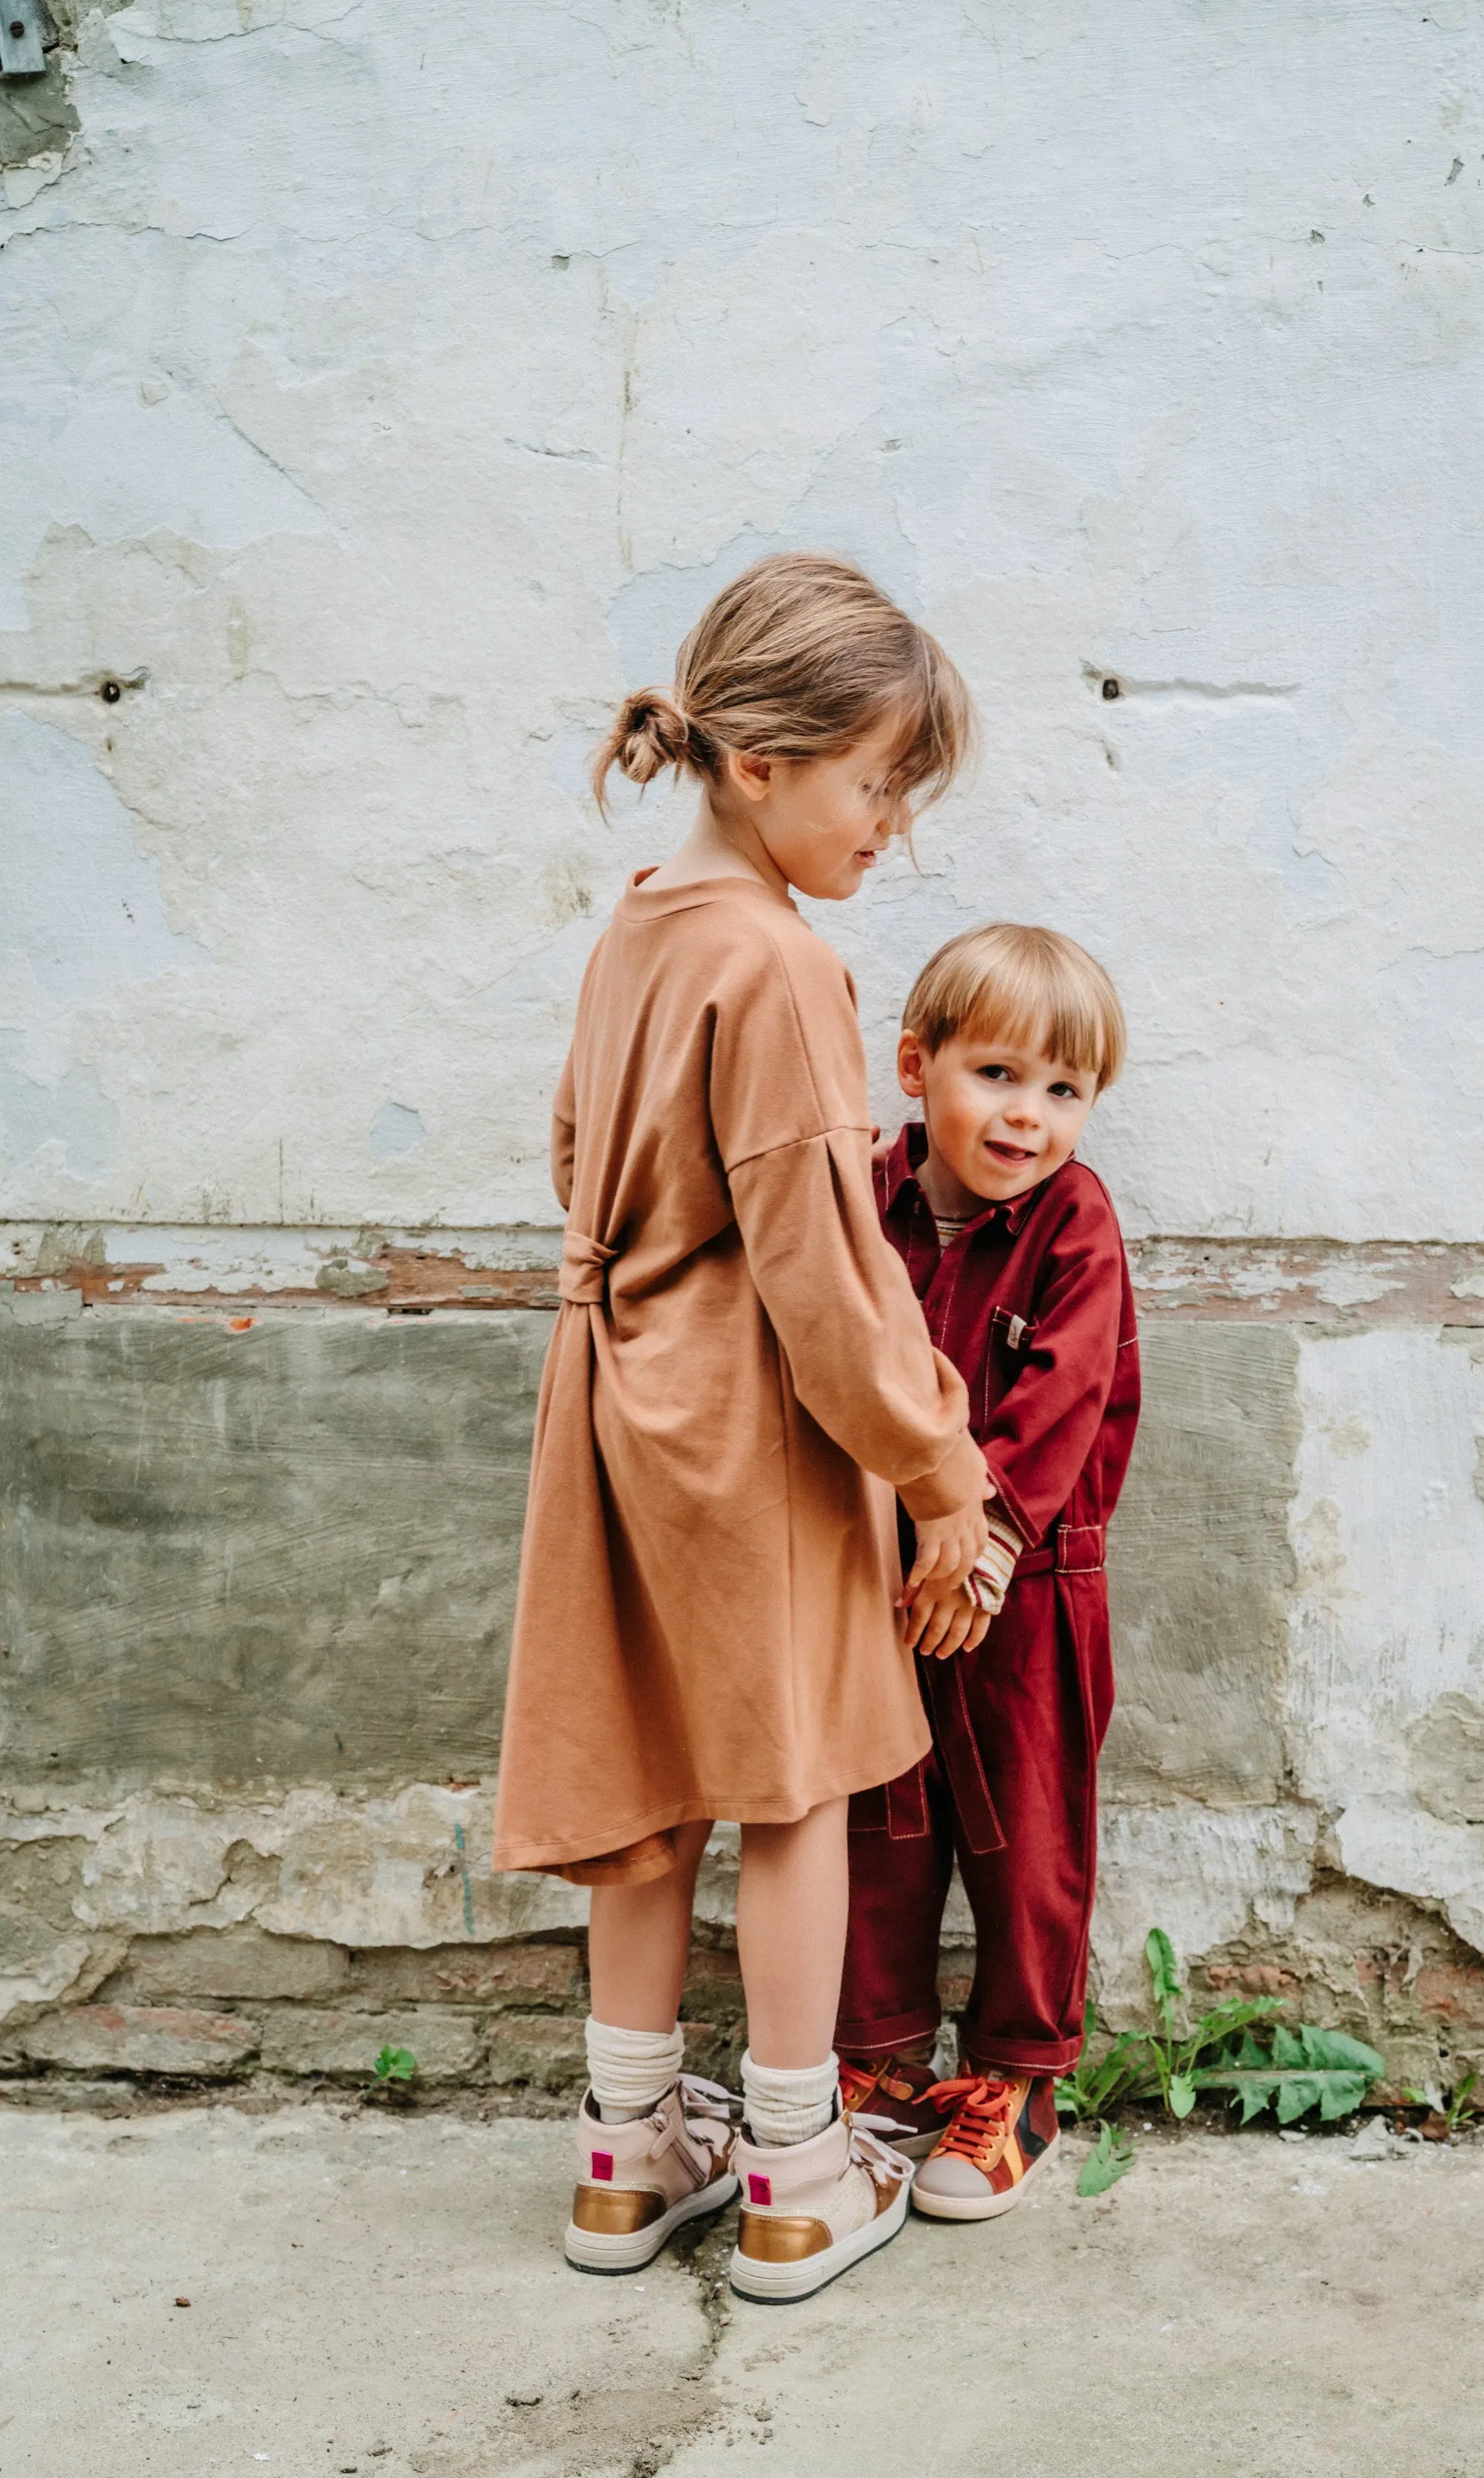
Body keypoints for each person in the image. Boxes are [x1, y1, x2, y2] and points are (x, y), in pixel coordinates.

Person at [492, 552, 993, 2302]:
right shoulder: (778, 962)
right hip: (751, 1429)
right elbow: (821, 1268)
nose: (891, 831)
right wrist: (941, 1470)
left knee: (645, 1791)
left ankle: (629, 2152)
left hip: (614, 1393)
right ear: (765, 765)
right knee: (795, 1786)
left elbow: (575, 1158)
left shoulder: (639, 919)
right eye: (877, 785)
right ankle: (794, 2164)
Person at [835, 922, 1141, 2220]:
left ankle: (1015, 2082)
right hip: (869, 1578)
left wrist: (988, 1544)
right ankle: (879, 2064)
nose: (1031, 1117)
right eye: (999, 1076)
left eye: (1065, 1091)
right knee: (874, 1829)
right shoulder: (860, 1198)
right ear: (917, 1066)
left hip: (1028, 1587)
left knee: (1027, 1844)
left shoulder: (1075, 1225)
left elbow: (1064, 1398)